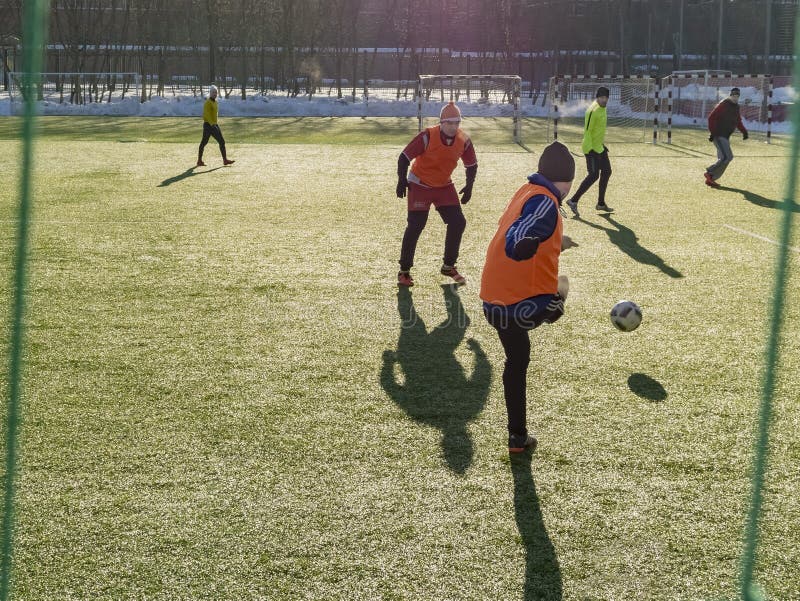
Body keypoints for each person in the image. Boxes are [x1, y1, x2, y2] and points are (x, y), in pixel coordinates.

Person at [480, 141, 574, 453]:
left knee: (517, 360)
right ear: (568, 181)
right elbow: (519, 233)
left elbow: (525, 229)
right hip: (522, 306)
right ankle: (554, 304)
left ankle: (517, 437)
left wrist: (555, 242)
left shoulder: (526, 191)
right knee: (562, 285)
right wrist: (521, 244)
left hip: (492, 303)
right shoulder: (547, 201)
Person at [395, 101, 477, 287]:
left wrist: (469, 186)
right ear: (441, 122)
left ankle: (448, 266)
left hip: (443, 185)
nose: (453, 126)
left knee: (458, 222)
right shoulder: (427, 136)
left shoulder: (463, 140)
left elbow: (472, 165)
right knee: (416, 225)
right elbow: (404, 157)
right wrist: (401, 180)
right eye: (449, 122)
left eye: (457, 122)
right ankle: (404, 271)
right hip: (420, 184)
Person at [565, 86, 612, 217]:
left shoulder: (603, 108)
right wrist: (591, 150)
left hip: (599, 148)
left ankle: (601, 203)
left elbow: (598, 130)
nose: (604, 100)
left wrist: (601, 146)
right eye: (602, 98)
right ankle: (573, 201)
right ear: (597, 97)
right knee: (593, 175)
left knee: (607, 171)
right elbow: (587, 132)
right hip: (590, 148)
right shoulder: (593, 110)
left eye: (606, 98)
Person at [704, 87, 748, 188]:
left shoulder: (736, 107)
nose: (735, 98)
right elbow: (711, 117)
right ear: (730, 95)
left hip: (725, 136)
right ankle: (710, 173)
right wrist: (713, 132)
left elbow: (738, 121)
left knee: (724, 158)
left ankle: (711, 178)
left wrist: (744, 132)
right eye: (734, 95)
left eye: (737, 96)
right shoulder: (724, 104)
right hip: (718, 135)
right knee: (727, 157)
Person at [197, 85, 234, 167]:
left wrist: (215, 124)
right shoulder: (207, 103)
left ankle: (224, 160)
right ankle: (200, 160)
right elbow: (206, 115)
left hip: (214, 124)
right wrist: (212, 124)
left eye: (216, 92)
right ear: (210, 93)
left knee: (213, 142)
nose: (215, 94)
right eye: (213, 92)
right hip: (209, 125)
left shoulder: (215, 102)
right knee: (207, 142)